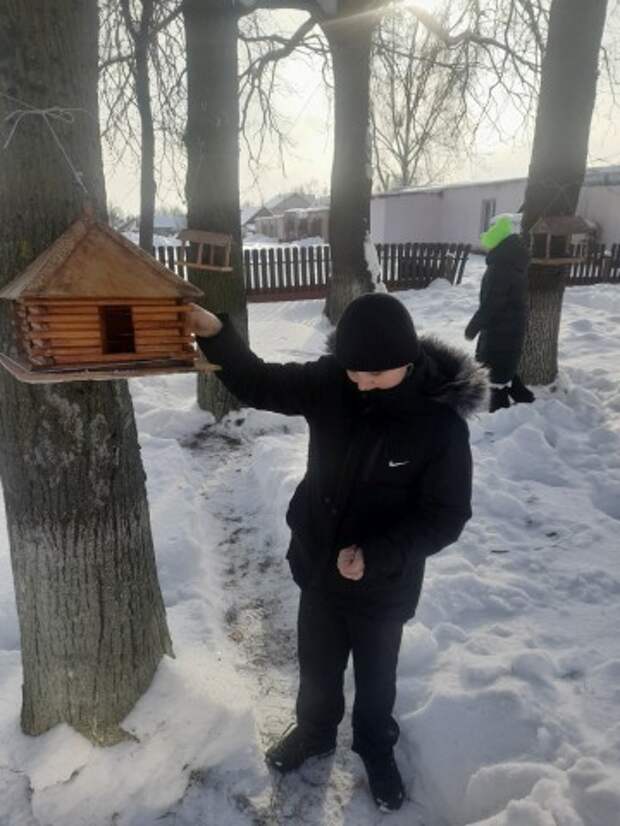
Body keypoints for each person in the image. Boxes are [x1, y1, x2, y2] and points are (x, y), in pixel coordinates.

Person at [188, 292, 487, 812]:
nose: (361, 382)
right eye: (353, 371)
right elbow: (259, 381)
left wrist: (377, 555)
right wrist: (214, 332)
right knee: (317, 666)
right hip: (319, 566)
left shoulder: (438, 424)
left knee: (377, 680)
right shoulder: (332, 381)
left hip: (384, 584)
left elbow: (446, 515)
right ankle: (315, 732)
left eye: (374, 374)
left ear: (407, 361)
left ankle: (375, 746)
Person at [465, 213, 536, 412]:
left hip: (501, 327)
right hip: (510, 325)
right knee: (505, 365)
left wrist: (473, 326)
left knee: (495, 372)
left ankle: (500, 414)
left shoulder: (501, 268)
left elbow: (492, 302)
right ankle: (525, 399)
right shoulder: (512, 261)